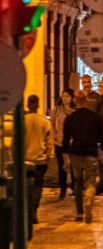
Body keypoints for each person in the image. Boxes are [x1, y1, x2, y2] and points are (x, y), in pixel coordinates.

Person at [62, 92, 103, 223]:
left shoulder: (70, 119)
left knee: (77, 183)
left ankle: (79, 213)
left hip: (75, 153)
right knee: (90, 181)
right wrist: (101, 154)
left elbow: (65, 141)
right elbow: (102, 139)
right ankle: (89, 199)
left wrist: (65, 160)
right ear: (86, 100)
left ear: (75, 101)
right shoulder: (95, 117)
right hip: (91, 152)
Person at [23, 95, 54, 226]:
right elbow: (49, 141)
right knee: (37, 187)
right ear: (38, 104)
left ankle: (27, 210)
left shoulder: (22, 121)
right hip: (40, 160)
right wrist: (50, 156)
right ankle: (34, 210)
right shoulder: (44, 122)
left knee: (24, 187)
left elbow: (15, 142)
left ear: (28, 104)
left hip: (25, 160)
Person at [51, 87, 75, 200]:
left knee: (74, 165)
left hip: (72, 142)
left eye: (67, 96)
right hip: (59, 141)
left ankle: (75, 188)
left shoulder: (74, 110)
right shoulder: (57, 109)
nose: (65, 99)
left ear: (72, 98)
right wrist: (54, 136)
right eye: (63, 96)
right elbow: (52, 124)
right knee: (62, 166)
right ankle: (63, 189)